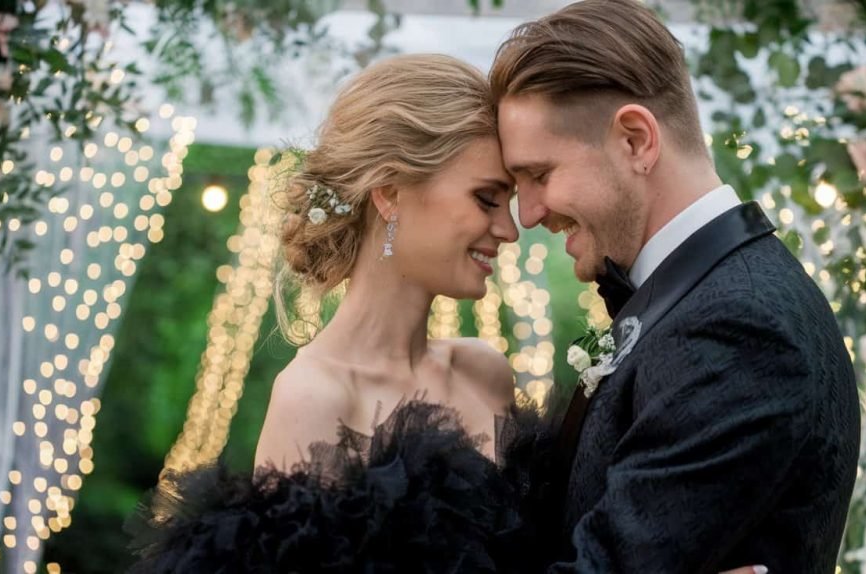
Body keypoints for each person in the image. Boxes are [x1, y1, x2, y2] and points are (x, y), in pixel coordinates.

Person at [126, 52, 765, 574]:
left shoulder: (485, 370)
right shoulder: (313, 397)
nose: (509, 231)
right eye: (487, 198)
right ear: (390, 192)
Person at [489, 1, 860, 572]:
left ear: (636, 140)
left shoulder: (738, 328)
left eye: (539, 175)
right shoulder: (703, 295)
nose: (530, 214)